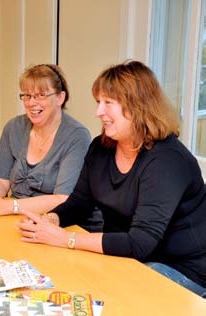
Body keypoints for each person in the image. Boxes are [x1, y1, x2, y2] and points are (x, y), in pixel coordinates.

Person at [16, 61, 206, 298]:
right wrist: (52, 220)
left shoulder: (167, 160)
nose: (98, 112)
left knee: (110, 296)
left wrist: (67, 239)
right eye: (99, 102)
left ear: (138, 107)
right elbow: (80, 202)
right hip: (124, 257)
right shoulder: (101, 147)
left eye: (108, 103)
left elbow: (141, 242)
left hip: (180, 268)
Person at [0, 64, 92, 219]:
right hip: (14, 218)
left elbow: (62, 199)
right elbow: (0, 181)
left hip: (58, 222)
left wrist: (8, 206)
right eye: (27, 96)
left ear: (60, 98)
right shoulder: (13, 127)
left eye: (41, 95)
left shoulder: (77, 136)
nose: (31, 103)